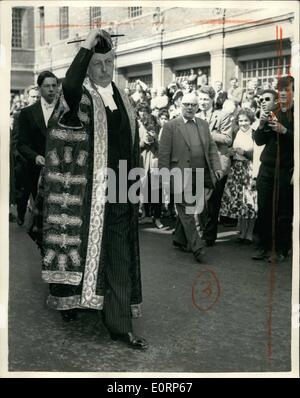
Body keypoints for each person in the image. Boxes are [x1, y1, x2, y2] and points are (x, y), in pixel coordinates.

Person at [34, 29, 148, 350]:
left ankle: (120, 325)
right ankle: (75, 302)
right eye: (97, 64)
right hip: (89, 197)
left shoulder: (123, 97)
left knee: (121, 257)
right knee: (84, 257)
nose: (104, 69)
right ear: (87, 65)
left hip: (122, 191)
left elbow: (132, 146)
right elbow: (68, 85)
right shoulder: (79, 98)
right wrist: (85, 47)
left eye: (109, 62)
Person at [158, 92, 222, 263]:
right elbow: (163, 155)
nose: (190, 107)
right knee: (187, 211)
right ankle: (197, 247)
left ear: (197, 107)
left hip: (199, 174)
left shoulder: (203, 124)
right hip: (178, 175)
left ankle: (179, 239)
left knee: (190, 208)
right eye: (186, 104)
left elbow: (212, 148)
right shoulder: (171, 126)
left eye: (193, 105)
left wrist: (216, 166)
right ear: (180, 105)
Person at [252, 78, 294, 262]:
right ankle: (263, 246)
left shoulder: (297, 113)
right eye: (281, 90)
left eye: (287, 89)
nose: (283, 93)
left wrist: (285, 131)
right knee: (264, 209)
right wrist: (261, 125)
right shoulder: (272, 112)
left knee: (282, 212)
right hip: (266, 169)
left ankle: (281, 249)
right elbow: (259, 141)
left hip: (285, 169)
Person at [197, 85, 233, 246]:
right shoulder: (195, 116)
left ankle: (209, 236)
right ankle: (201, 231)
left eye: (206, 99)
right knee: (200, 201)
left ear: (212, 100)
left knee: (213, 201)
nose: (202, 102)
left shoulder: (223, 115)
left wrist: (207, 132)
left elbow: (227, 139)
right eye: (200, 98)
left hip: (217, 163)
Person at [18, 71, 59, 203]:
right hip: (36, 172)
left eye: (54, 85)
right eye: (47, 86)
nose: (51, 89)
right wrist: (35, 157)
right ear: (40, 88)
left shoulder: (65, 111)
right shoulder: (27, 113)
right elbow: (21, 144)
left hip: (61, 170)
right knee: (41, 214)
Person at [220, 109, 257, 243]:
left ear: (251, 121)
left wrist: (245, 152)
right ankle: (242, 233)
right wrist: (230, 152)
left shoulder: (254, 133)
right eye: (241, 120)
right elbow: (229, 148)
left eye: (246, 120)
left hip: (249, 168)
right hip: (236, 168)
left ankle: (249, 234)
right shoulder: (236, 132)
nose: (243, 123)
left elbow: (257, 155)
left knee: (250, 201)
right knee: (239, 201)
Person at [11, 85, 40, 225]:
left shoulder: (45, 115)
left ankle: (38, 222)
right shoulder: (19, 115)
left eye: (38, 97)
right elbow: (15, 140)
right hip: (24, 162)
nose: (35, 99)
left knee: (39, 193)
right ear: (28, 97)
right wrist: (19, 158)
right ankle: (21, 215)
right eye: (33, 96)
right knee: (24, 193)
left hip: (40, 161)